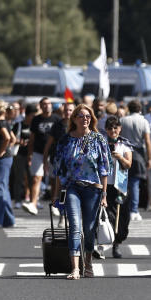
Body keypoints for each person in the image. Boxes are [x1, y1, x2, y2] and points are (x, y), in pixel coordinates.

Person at [51, 104, 110, 280]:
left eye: (88, 116)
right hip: (72, 187)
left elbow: (104, 169)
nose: (85, 119)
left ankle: (89, 261)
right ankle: (75, 268)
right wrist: (56, 194)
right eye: (81, 116)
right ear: (74, 119)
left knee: (89, 229)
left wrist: (104, 194)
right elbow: (58, 171)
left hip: (93, 189)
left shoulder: (99, 139)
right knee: (75, 226)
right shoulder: (65, 140)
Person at [103, 116, 132, 259]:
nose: (113, 131)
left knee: (122, 217)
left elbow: (128, 164)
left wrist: (120, 157)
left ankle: (118, 241)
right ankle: (105, 243)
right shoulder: (101, 143)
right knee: (108, 216)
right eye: (109, 128)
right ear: (106, 130)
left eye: (115, 128)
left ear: (120, 128)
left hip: (120, 185)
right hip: (105, 184)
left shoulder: (125, 144)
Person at [119, 100, 151, 222]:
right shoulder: (144, 121)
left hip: (124, 151)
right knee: (135, 183)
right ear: (139, 109)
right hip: (138, 153)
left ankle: (123, 208)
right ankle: (134, 210)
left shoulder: (123, 120)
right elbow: (147, 141)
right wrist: (149, 158)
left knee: (123, 182)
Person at [26, 98, 59, 215]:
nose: (47, 106)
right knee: (36, 178)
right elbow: (32, 138)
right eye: (44, 104)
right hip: (38, 152)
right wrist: (29, 154)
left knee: (54, 180)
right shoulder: (36, 119)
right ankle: (33, 203)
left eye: (48, 103)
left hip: (53, 154)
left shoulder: (56, 119)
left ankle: (55, 204)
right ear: (40, 106)